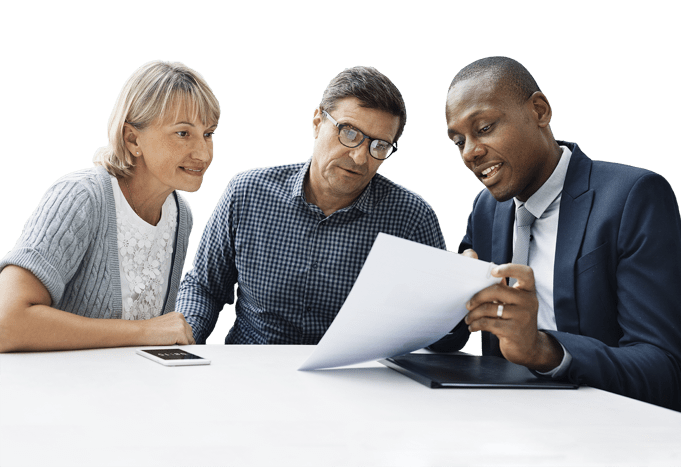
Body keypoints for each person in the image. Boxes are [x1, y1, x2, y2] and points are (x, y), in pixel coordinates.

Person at [445, 56, 681, 416]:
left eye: (484, 127)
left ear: (540, 110)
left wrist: (544, 350)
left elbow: (669, 373)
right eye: (458, 141)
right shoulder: (487, 209)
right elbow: (457, 333)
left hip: (616, 431)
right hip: (511, 426)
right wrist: (439, 298)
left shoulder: (632, 197)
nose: (470, 152)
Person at [176, 65, 450, 346]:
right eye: (350, 133)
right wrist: (183, 342)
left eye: (379, 146)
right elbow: (204, 288)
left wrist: (458, 300)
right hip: (250, 377)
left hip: (356, 383)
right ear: (318, 122)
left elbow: (439, 332)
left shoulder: (412, 217)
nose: (359, 158)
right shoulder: (246, 192)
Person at [0, 60, 220, 352]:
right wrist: (143, 331)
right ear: (132, 139)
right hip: (56, 392)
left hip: (125, 390)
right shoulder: (80, 198)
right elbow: (7, 323)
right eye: (183, 133)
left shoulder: (180, 215)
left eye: (208, 134)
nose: (203, 153)